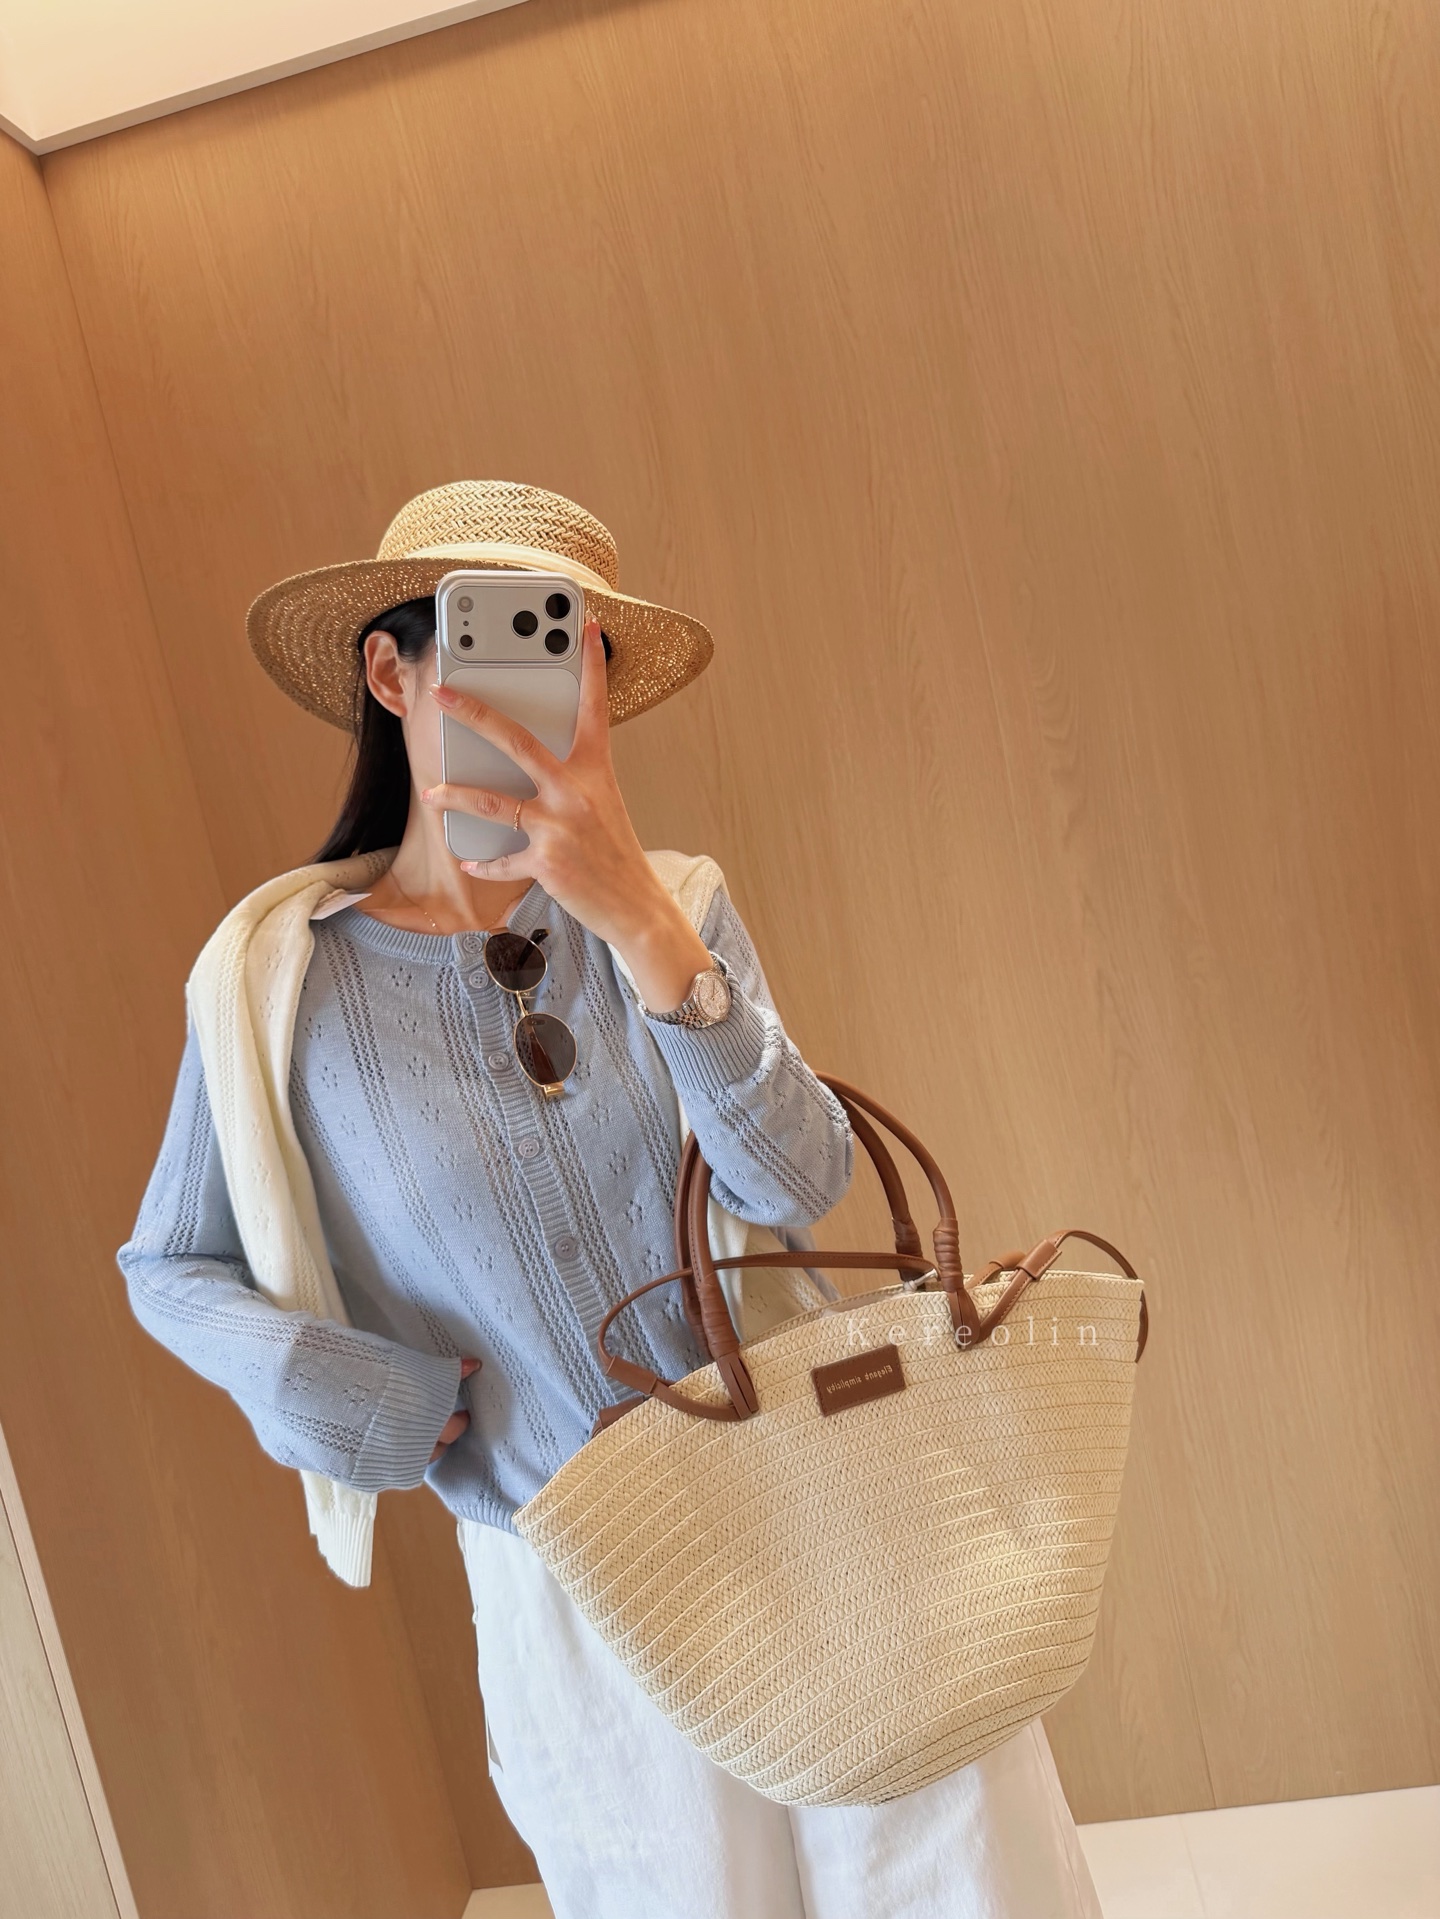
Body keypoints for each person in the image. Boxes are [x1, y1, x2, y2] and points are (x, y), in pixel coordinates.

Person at [118, 482, 1103, 1917]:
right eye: (497, 639)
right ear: (390, 670)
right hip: (575, 1588)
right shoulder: (277, 986)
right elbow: (168, 1262)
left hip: (828, 1506)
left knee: (959, 1884)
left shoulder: (674, 904)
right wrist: (351, 1392)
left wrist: (634, 915)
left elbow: (800, 1179)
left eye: (568, 648)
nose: (537, 687)